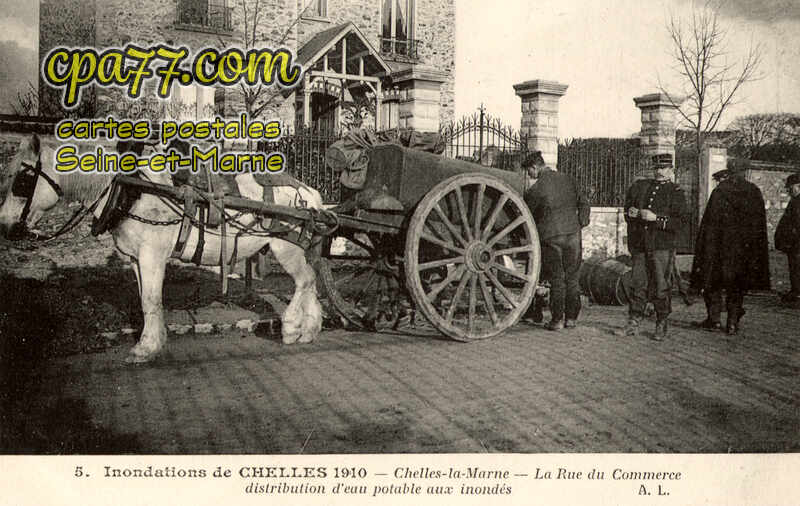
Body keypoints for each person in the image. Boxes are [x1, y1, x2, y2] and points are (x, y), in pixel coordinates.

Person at [690, 159, 770, 335]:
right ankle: (732, 323)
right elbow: (759, 226)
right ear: (745, 172)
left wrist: (706, 247)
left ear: (730, 171)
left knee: (713, 282)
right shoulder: (753, 191)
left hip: (720, 248)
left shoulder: (720, 191)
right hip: (743, 250)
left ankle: (714, 319)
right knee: (737, 285)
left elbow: (709, 223)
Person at [619, 153, 688, 341]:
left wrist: (656, 218)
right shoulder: (641, 187)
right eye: (656, 168)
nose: (659, 172)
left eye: (664, 168)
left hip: (661, 246)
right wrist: (631, 213)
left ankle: (661, 322)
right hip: (641, 245)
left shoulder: (676, 192)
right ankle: (633, 321)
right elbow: (627, 209)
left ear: (671, 170)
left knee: (660, 285)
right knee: (638, 283)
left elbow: (681, 222)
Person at [522, 151, 590, 330]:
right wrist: (581, 222)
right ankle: (571, 319)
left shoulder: (535, 190)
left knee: (557, 279)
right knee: (572, 278)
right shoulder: (568, 179)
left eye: (529, 172)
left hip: (550, 237)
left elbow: (528, 216)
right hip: (573, 234)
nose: (530, 176)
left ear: (535, 167)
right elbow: (584, 202)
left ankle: (557, 320)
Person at [774, 173, 800, 305]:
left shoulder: (797, 201)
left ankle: (797, 293)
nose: (788, 190)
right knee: (794, 267)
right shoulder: (795, 201)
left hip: (797, 243)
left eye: (790, 187)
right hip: (794, 243)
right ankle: (795, 291)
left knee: (796, 267)